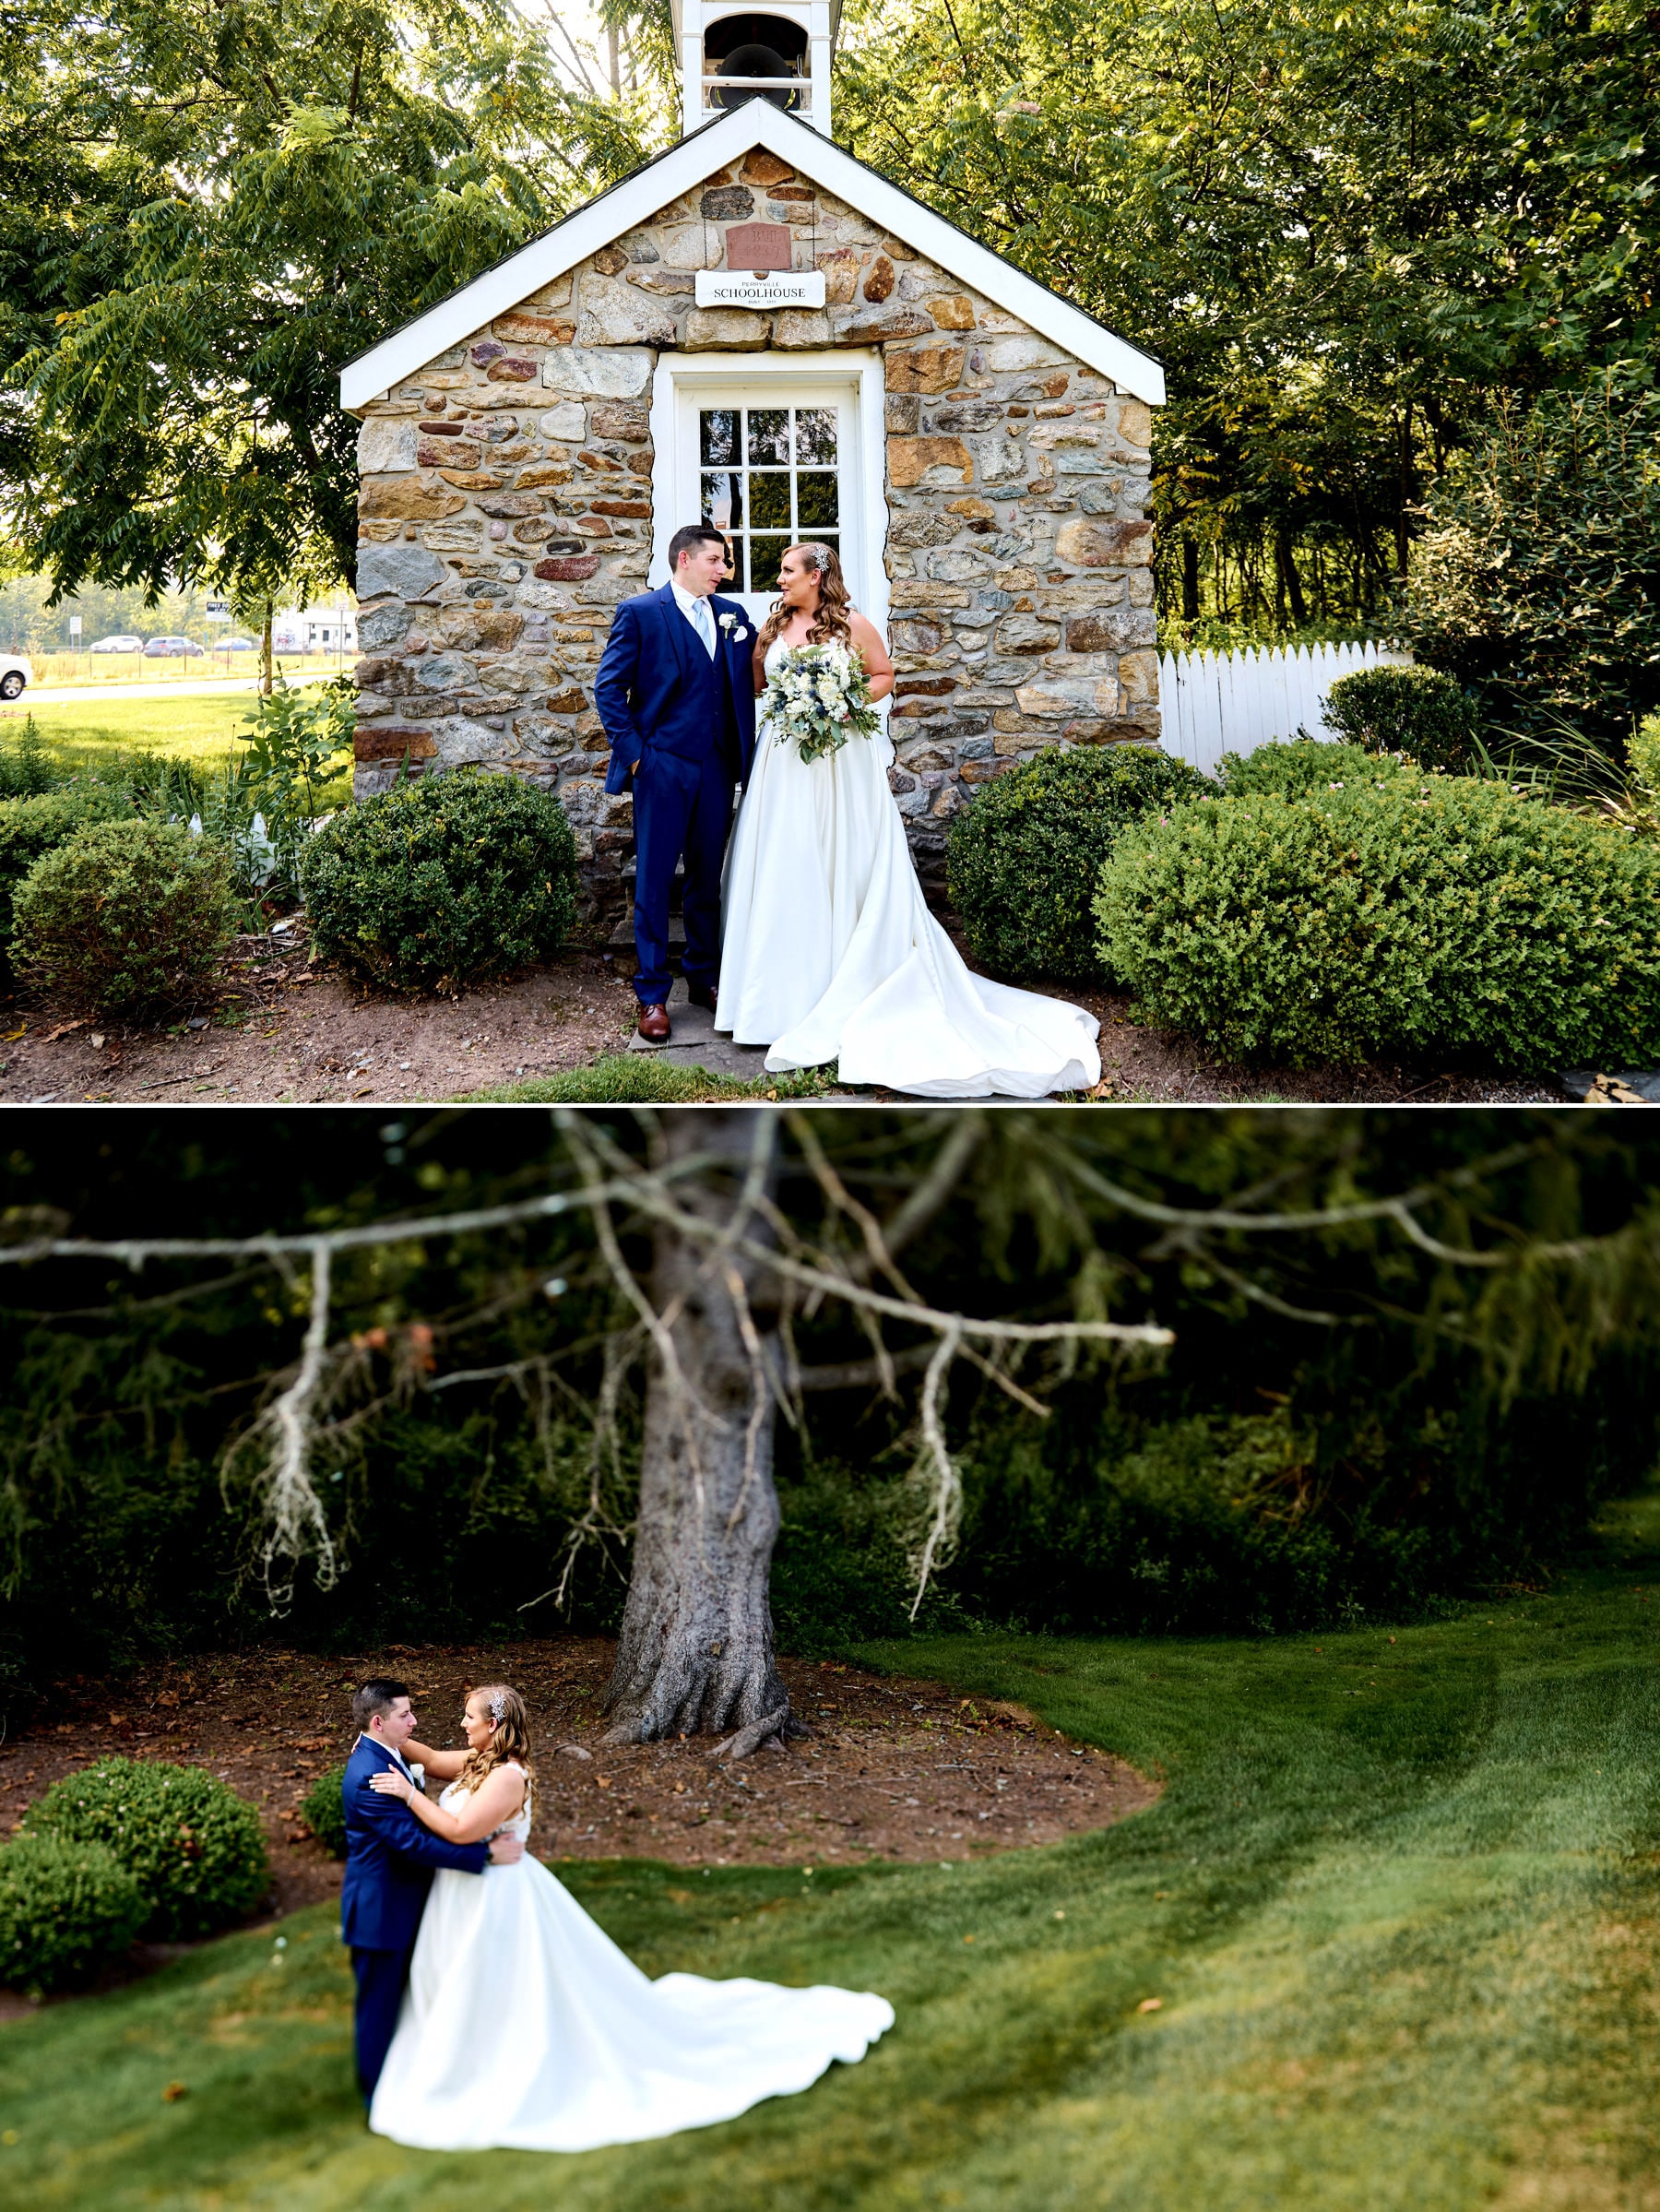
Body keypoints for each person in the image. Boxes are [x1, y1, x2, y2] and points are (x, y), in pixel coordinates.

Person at [364, 1683, 894, 2153]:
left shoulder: (507, 1776)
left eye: (470, 1717)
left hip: (497, 1899)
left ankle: (506, 2069)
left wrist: (409, 1795)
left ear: (494, 1725)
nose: (462, 1725)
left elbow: (459, 1833)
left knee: (506, 1986)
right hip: (462, 1896)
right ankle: (463, 2062)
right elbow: (432, 1758)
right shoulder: (478, 1762)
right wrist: (376, 1736)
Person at [717, 542, 1102, 1098]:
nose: (779, 581)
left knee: (843, 856)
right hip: (784, 761)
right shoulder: (772, 627)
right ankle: (776, 996)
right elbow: (757, 685)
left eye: (786, 572)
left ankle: (847, 973)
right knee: (785, 858)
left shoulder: (854, 624)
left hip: (839, 757)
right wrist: (788, 699)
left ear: (816, 577)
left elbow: (883, 676)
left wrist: (840, 702)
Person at [594, 523, 759, 1043]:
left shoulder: (732, 616)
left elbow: (754, 673)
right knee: (654, 881)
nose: (723, 570)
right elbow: (608, 689)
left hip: (715, 766)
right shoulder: (642, 613)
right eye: (715, 561)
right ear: (684, 560)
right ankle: (652, 995)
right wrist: (638, 758)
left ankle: (705, 979)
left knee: (706, 877)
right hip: (662, 767)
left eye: (724, 562)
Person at [339, 1678, 525, 2106]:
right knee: (379, 2008)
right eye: (405, 1714)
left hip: (408, 1903)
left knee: (411, 2000)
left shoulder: (384, 1752)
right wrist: (483, 1856)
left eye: (410, 1711)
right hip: (381, 1913)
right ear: (377, 1722)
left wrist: (406, 1781)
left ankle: (412, 2078)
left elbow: (431, 1758)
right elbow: (412, 1844)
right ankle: (376, 2101)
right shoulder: (371, 1774)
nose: (415, 1720)